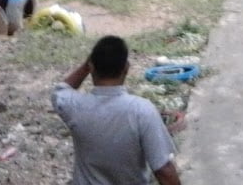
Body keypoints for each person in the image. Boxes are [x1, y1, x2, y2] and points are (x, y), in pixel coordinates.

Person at [53, 35, 181, 185]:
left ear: (92, 67)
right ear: (126, 68)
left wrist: (86, 66)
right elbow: (164, 170)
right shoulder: (142, 110)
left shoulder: (74, 105)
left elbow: (61, 90)